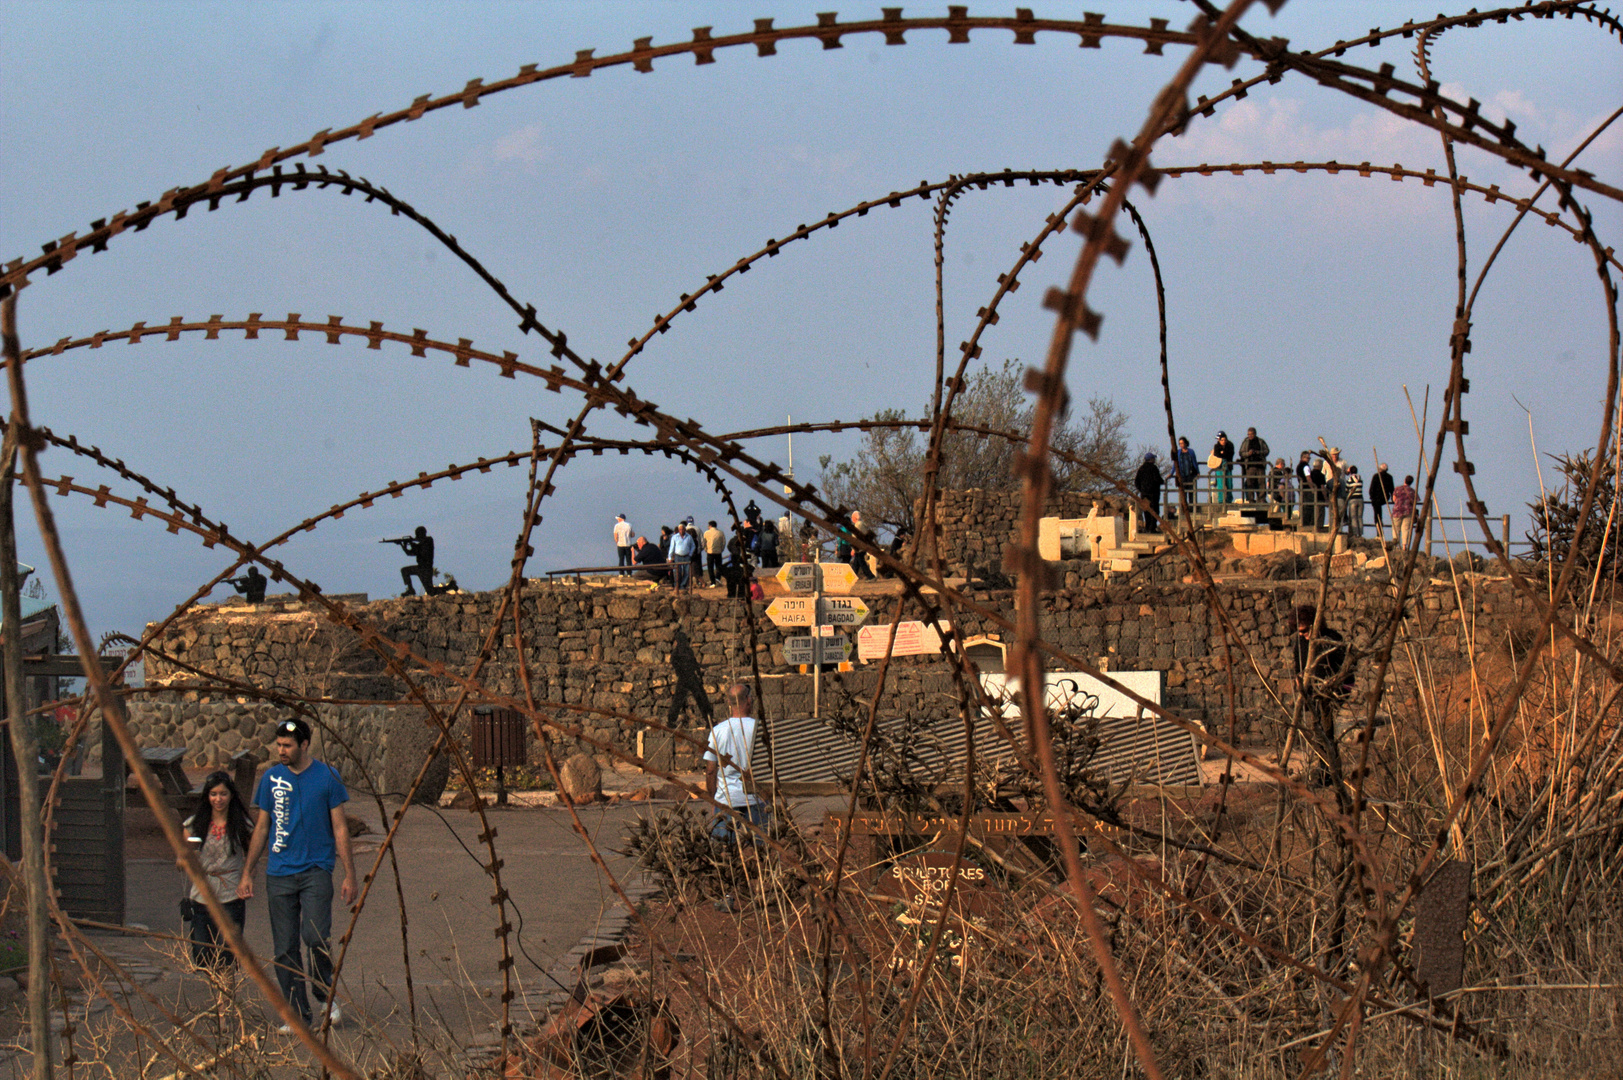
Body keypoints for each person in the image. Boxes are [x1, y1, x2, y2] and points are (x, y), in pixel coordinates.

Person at [238, 717, 355, 1032]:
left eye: (288, 745)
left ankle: (325, 998)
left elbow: (340, 827)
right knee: (284, 947)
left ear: (304, 745)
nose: (281, 750)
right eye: (278, 745)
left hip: (316, 869)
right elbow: (262, 827)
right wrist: (248, 872)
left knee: (315, 937)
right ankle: (298, 1014)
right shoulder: (271, 779)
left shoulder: (328, 777)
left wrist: (349, 874)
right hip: (279, 873)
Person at [183, 772, 253, 970]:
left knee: (228, 953)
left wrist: (247, 877)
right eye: (213, 794)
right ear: (207, 796)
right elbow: (183, 850)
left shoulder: (242, 824)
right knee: (202, 953)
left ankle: (225, 999)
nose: (218, 799)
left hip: (231, 893)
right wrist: (184, 859)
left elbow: (252, 855)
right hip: (202, 894)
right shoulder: (195, 823)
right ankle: (217, 991)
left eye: (223, 794)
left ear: (231, 795)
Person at [1292, 604, 1353, 789]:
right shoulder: (1300, 644)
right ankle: (1327, 773)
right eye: (1298, 632)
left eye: (1304, 630)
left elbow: (1346, 668)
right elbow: (1298, 670)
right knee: (1320, 736)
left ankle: (1330, 776)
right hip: (1313, 696)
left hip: (1333, 693)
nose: (1302, 635)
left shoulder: (1332, 639)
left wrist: (1336, 689)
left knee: (1326, 734)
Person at [704, 683, 768, 844]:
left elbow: (711, 770)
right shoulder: (759, 728)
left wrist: (714, 800)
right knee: (761, 851)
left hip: (726, 798)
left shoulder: (718, 731)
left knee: (722, 850)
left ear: (729, 703)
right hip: (755, 797)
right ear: (748, 700)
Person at [395, 526, 435, 597]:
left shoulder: (428, 541)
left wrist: (411, 544)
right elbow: (409, 553)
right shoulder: (422, 543)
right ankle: (410, 589)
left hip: (425, 569)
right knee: (404, 571)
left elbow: (418, 550)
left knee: (431, 591)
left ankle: (450, 587)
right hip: (421, 568)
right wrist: (403, 545)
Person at [1237, 427, 1271, 503]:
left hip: (1260, 465)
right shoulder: (1245, 442)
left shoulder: (1261, 441)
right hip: (1250, 465)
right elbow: (1241, 453)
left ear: (1255, 434)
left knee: (1261, 483)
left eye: (1251, 434)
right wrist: (1248, 454)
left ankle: (1262, 499)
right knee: (1250, 483)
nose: (1250, 436)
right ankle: (1251, 499)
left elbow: (1267, 451)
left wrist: (1259, 452)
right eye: (1248, 434)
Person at [1133, 452, 1164, 533]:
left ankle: (1147, 527)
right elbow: (1157, 479)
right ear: (1151, 459)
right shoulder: (1154, 468)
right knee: (1154, 510)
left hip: (1144, 494)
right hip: (1153, 493)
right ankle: (1152, 528)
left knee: (1146, 510)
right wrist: (1162, 481)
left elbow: (1136, 482)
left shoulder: (1141, 468)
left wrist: (1142, 489)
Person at [1297, 452, 1324, 531]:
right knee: (1309, 507)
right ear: (1303, 457)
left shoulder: (1299, 466)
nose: (1309, 460)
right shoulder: (1306, 466)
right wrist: (1312, 488)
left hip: (1302, 487)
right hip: (1306, 489)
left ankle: (1305, 523)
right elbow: (1308, 478)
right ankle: (1309, 524)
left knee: (1305, 506)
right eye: (1308, 458)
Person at [669, 521, 697, 592]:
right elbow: (672, 548)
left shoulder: (689, 537)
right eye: (680, 529)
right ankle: (677, 585)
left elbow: (693, 546)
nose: (681, 531)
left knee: (687, 572)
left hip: (686, 556)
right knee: (677, 572)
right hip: (678, 556)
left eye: (683, 529)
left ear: (685, 529)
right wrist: (670, 557)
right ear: (678, 530)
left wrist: (690, 554)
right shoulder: (675, 537)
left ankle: (683, 585)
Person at [1173, 436, 1198, 513]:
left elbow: (1194, 462)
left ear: (1186, 443)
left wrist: (1197, 471)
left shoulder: (1191, 452)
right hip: (1182, 475)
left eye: (1182, 443)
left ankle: (1192, 508)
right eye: (1180, 443)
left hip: (1190, 474)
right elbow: (1175, 464)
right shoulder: (1178, 453)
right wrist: (1172, 473)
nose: (1181, 445)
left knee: (1191, 492)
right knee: (1183, 493)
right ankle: (1184, 509)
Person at [1209, 431, 1235, 505]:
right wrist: (1222, 453)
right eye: (1221, 440)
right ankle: (1221, 501)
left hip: (1228, 466)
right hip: (1219, 467)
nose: (1223, 442)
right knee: (1220, 484)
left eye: (1224, 440)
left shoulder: (1230, 445)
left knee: (1229, 484)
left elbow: (1230, 454)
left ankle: (1229, 500)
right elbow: (1217, 454)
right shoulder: (1216, 446)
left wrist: (1222, 453)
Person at [1392, 475, 1418, 550]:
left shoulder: (1397, 489)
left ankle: (1396, 545)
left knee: (1396, 528)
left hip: (1397, 511)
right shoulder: (1412, 491)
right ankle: (1404, 546)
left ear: (1404, 480)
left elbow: (1394, 499)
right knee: (1406, 528)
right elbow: (1415, 501)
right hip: (1408, 511)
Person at [1369, 464, 1396, 531]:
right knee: (1378, 512)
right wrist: (1393, 499)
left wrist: (1372, 497)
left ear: (1379, 469)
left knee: (1377, 515)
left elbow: (1371, 489)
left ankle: (1379, 528)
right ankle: (1379, 525)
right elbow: (1392, 489)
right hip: (1385, 498)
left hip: (1376, 499)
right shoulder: (1389, 477)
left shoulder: (1376, 476)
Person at [849, 511, 875, 579]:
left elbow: (855, 537)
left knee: (861, 562)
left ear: (855, 518)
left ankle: (871, 577)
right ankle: (850, 578)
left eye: (852, 517)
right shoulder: (863, 524)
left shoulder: (857, 525)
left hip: (858, 547)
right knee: (856, 564)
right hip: (862, 546)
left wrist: (853, 549)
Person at [1343, 465, 1365, 538]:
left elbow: (1346, 490)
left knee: (1353, 517)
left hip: (1353, 499)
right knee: (1360, 517)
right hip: (1360, 499)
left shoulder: (1349, 480)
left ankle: (1355, 534)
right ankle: (1360, 534)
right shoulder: (1360, 479)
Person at [702, 520, 726, 586]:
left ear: (710, 526)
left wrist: (706, 549)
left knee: (710, 568)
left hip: (710, 552)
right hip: (718, 552)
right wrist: (721, 549)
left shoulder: (706, 533)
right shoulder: (721, 533)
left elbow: (703, 543)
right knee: (719, 566)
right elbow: (723, 543)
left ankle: (712, 582)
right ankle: (717, 578)